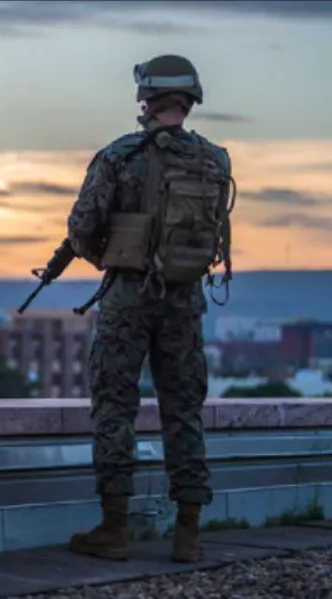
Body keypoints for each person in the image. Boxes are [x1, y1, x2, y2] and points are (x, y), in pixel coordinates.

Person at [64, 55, 235, 563]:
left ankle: (114, 530)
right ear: (190, 98)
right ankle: (189, 535)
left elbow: (81, 228)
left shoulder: (119, 155)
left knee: (115, 404)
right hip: (185, 298)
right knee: (184, 410)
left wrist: (115, 259)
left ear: (145, 96)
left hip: (128, 296)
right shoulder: (215, 159)